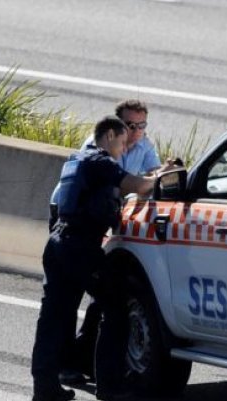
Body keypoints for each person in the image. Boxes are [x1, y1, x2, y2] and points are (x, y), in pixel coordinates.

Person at [31, 116, 173, 401]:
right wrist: (161, 177)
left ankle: (45, 388)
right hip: (80, 246)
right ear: (109, 135)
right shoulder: (101, 161)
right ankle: (110, 386)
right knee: (116, 308)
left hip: (58, 243)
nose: (122, 150)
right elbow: (136, 185)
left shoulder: (76, 160)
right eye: (121, 143)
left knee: (53, 317)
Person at [62, 99, 162, 385]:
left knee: (103, 300)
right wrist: (152, 180)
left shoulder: (143, 145)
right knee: (71, 300)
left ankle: (86, 362)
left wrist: (156, 175)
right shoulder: (97, 152)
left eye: (142, 125)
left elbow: (151, 173)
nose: (136, 132)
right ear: (116, 129)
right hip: (79, 227)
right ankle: (72, 366)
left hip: (108, 224)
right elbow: (133, 183)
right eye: (130, 126)